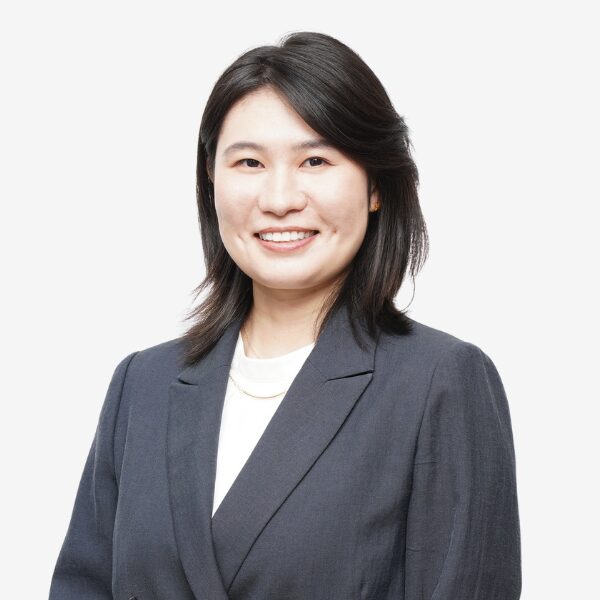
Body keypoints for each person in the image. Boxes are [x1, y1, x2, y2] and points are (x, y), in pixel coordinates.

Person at [49, 31, 521, 600]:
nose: (279, 199)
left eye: (315, 160)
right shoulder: (142, 384)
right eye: (249, 162)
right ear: (211, 179)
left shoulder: (440, 382)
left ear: (375, 185)